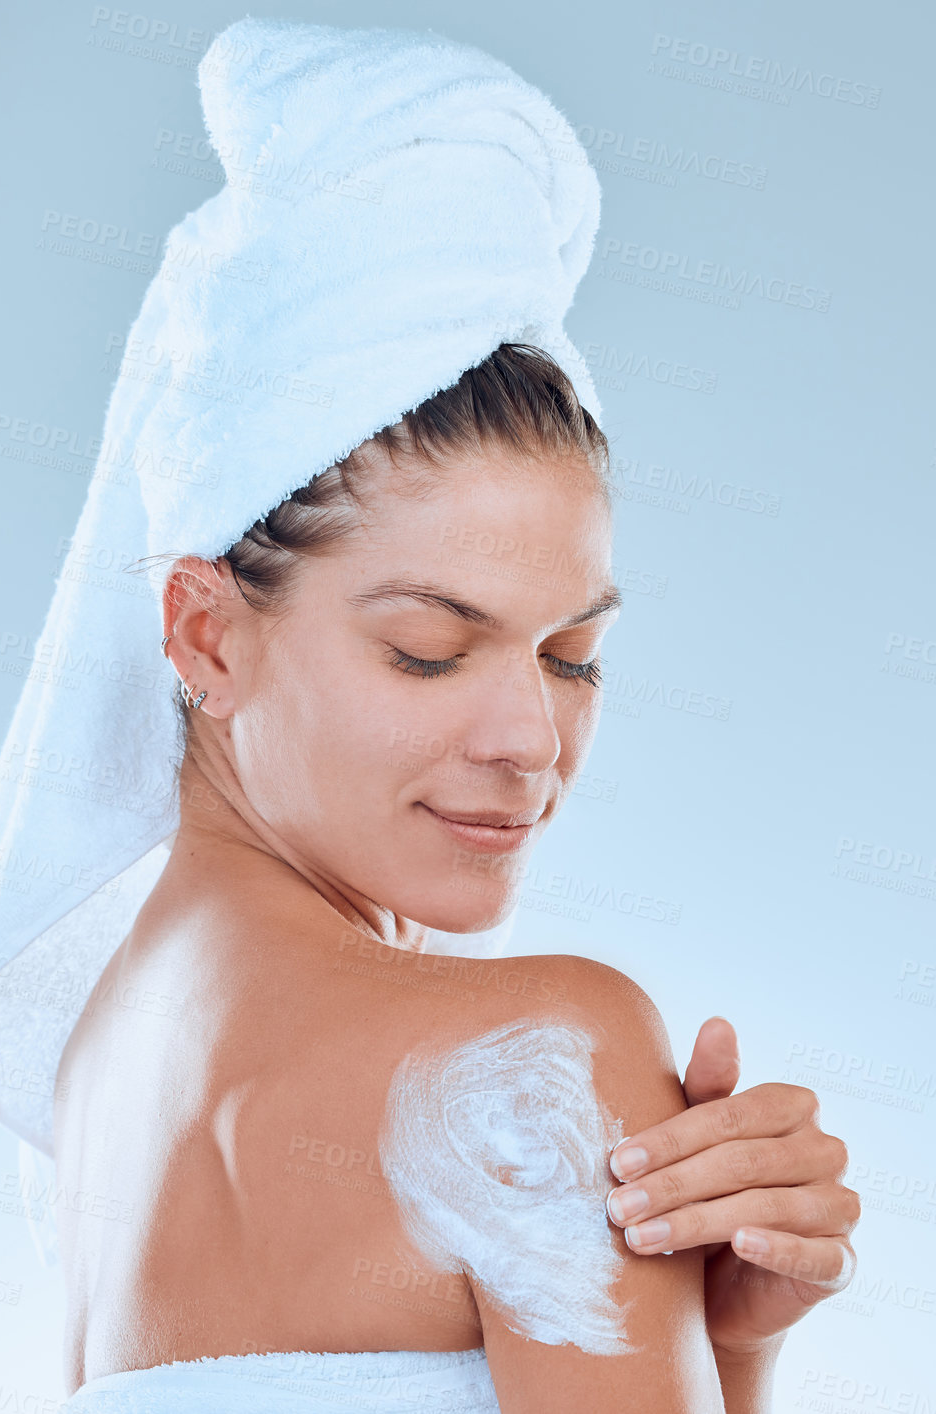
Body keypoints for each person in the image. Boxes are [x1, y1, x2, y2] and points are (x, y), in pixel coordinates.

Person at [51, 344, 859, 1412]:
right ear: (206, 636)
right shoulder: (534, 1065)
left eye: (571, 654)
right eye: (429, 650)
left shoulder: (95, 1068)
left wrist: (719, 1339)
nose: (532, 738)